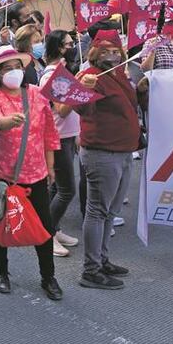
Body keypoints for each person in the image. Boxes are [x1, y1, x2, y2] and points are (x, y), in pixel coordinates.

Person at [0, 45, 62, 300]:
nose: (14, 72)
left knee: (44, 229)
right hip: (3, 175)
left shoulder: (37, 95)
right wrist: (8, 121)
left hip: (36, 174)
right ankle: (0, 271)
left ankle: (48, 277)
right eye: (7, 69)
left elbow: (49, 132)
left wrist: (50, 166)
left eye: (17, 67)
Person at [73, 30, 140, 290]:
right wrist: (83, 91)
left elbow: (131, 103)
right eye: (105, 51)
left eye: (115, 51)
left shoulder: (118, 73)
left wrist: (142, 88)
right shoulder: (91, 76)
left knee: (110, 211)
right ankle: (91, 269)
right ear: (95, 52)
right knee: (97, 211)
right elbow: (83, 110)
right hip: (102, 153)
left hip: (122, 151)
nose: (112, 55)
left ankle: (101, 259)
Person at [40, 30, 81, 257]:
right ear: (57, 47)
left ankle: (54, 228)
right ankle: (46, 234)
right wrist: (80, 90)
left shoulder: (63, 71)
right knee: (66, 191)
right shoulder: (50, 76)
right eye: (67, 44)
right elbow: (62, 111)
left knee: (57, 188)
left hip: (68, 135)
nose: (72, 46)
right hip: (58, 137)